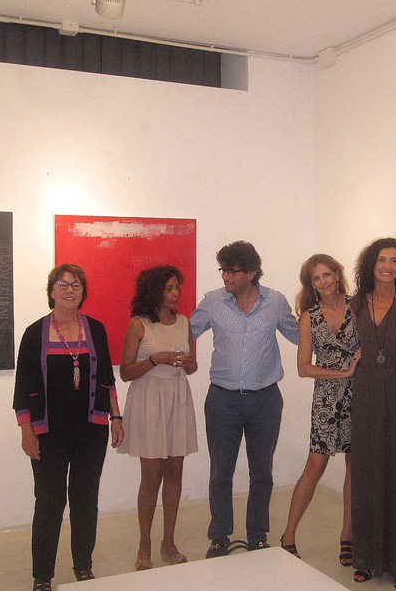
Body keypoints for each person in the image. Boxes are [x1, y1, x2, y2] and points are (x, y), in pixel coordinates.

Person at [13, 264, 124, 591]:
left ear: (83, 292)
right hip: (47, 433)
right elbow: (22, 387)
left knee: (85, 500)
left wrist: (116, 417)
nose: (69, 290)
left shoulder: (96, 329)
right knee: (49, 502)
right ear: (51, 291)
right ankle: (42, 576)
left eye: (76, 285)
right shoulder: (35, 333)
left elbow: (107, 378)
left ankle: (83, 568)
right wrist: (26, 430)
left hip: (91, 430)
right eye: (62, 284)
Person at [190, 240, 299, 557]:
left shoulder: (275, 302)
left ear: (251, 273)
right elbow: (185, 332)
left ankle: (257, 536)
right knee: (220, 473)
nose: (225, 276)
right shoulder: (213, 302)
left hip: (265, 400)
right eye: (222, 270)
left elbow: (299, 335)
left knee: (262, 472)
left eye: (232, 271)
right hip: (222, 400)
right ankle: (219, 537)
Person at [349, 238, 396, 589]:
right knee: (366, 474)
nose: (388, 267)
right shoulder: (356, 304)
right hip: (365, 392)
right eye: (382, 260)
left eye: (394, 261)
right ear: (371, 264)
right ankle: (366, 558)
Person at [279, 254, 360, 564]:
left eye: (328, 274)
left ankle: (347, 536)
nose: (324, 281)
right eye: (317, 278)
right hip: (327, 400)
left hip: (360, 396)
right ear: (310, 284)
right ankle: (288, 535)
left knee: (355, 467)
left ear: (337, 275)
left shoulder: (358, 307)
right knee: (315, 466)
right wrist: (344, 373)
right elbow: (303, 368)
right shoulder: (309, 317)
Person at [117, 266, 198, 571]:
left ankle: (169, 541)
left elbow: (192, 366)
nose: (176, 294)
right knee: (151, 476)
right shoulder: (139, 324)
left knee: (175, 472)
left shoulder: (184, 322)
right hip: (149, 400)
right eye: (169, 288)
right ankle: (145, 543)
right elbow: (126, 372)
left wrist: (189, 364)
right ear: (154, 291)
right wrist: (155, 360)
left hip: (177, 398)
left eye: (177, 288)